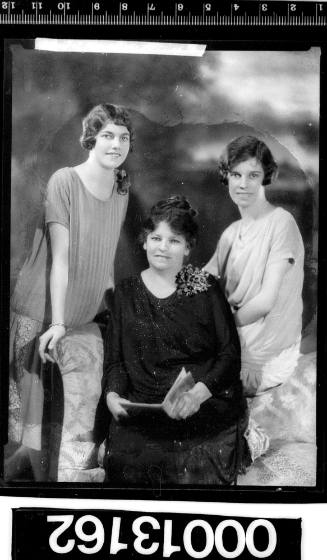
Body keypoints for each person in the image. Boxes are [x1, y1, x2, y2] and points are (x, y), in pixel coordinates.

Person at [7, 103, 134, 481]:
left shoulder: (122, 185)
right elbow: (60, 259)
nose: (116, 144)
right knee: (29, 435)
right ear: (91, 138)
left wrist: (114, 309)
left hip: (82, 313)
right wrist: (60, 323)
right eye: (107, 135)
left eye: (124, 137)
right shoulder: (65, 180)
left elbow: (106, 253)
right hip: (40, 314)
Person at [103, 195, 248, 486]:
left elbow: (230, 356)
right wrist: (113, 396)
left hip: (202, 406)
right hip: (145, 409)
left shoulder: (205, 287)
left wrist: (199, 394)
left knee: (194, 464)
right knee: (130, 463)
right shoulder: (126, 292)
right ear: (144, 242)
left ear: (188, 248)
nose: (163, 247)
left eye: (174, 241)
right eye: (156, 238)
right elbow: (116, 361)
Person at [205, 136, 304, 457]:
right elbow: (199, 284)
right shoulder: (232, 234)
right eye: (235, 175)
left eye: (252, 175)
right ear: (226, 177)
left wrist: (215, 330)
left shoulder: (281, 223)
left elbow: (265, 301)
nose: (243, 184)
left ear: (266, 178)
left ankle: (248, 438)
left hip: (266, 354)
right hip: (236, 343)